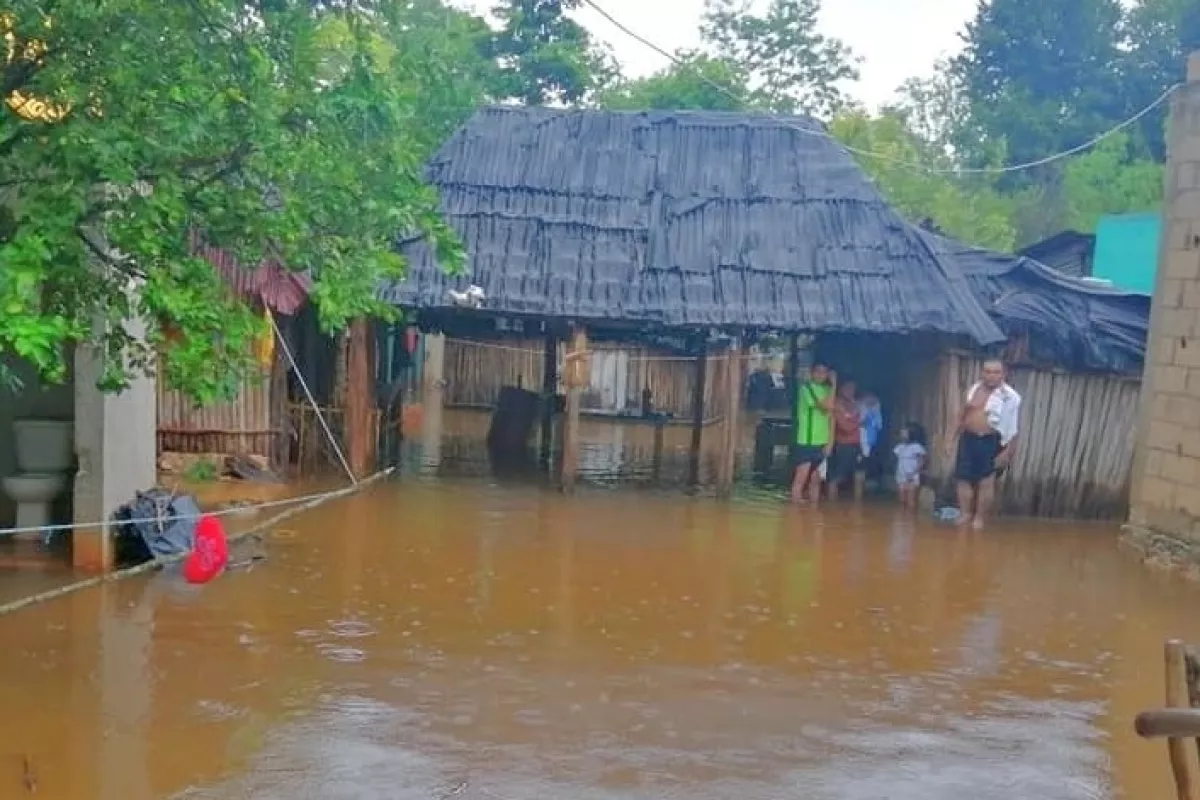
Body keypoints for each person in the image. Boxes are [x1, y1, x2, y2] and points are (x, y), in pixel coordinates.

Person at [953, 359, 1021, 530]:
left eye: (996, 372)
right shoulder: (974, 389)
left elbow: (1013, 426)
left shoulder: (1010, 397)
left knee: (986, 480)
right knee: (962, 478)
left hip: (991, 440)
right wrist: (951, 437)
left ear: (1003, 374)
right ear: (982, 373)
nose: (991, 376)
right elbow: (963, 413)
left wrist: (1008, 451)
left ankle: (979, 518)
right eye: (988, 371)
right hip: (968, 438)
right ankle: (965, 514)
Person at [790, 361, 835, 504]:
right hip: (806, 439)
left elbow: (832, 416)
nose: (821, 375)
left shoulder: (827, 390)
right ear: (812, 373)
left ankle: (812, 515)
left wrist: (830, 442)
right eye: (818, 371)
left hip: (822, 441)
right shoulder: (806, 388)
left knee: (816, 479)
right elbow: (825, 407)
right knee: (801, 478)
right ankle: (795, 513)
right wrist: (834, 386)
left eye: (824, 372)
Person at [827, 379, 862, 501]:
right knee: (837, 477)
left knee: (858, 475)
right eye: (848, 388)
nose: (851, 391)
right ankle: (831, 506)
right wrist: (858, 421)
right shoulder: (837, 404)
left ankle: (858, 507)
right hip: (844, 445)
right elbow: (845, 427)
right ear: (841, 389)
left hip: (855, 444)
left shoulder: (854, 404)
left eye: (853, 389)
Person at [893, 422, 927, 510]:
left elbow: (921, 461)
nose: (902, 435)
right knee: (902, 498)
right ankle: (903, 518)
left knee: (911, 500)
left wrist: (914, 472)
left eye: (904, 433)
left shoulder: (917, 447)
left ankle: (911, 519)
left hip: (912, 474)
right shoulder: (899, 447)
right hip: (901, 474)